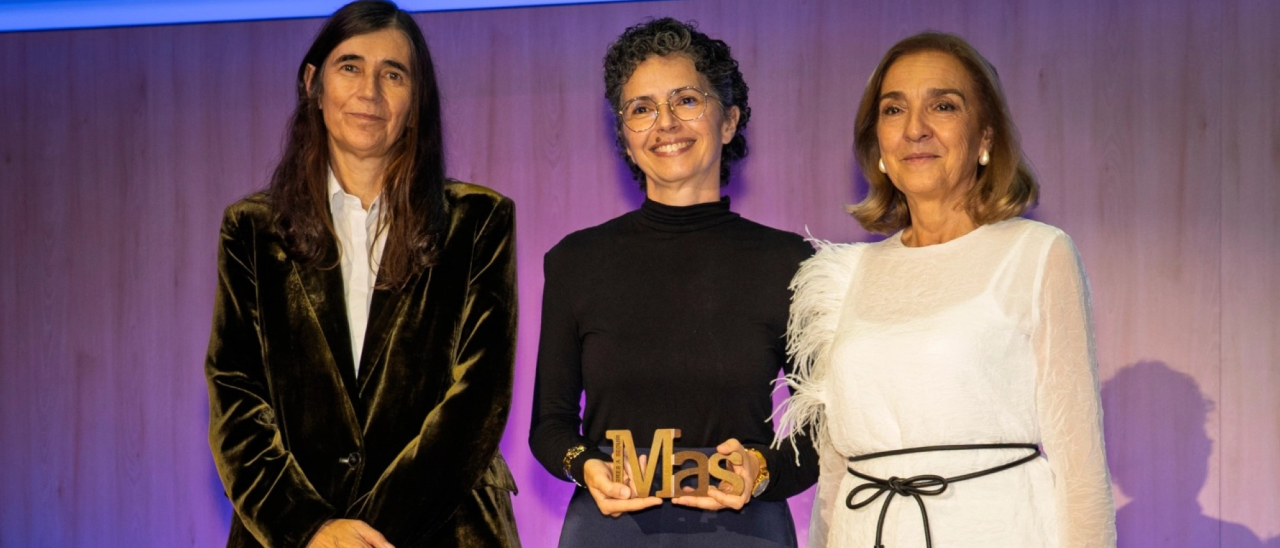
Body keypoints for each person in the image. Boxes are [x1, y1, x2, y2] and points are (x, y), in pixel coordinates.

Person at [774, 32, 1116, 547]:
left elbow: (1079, 456)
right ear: (879, 146)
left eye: (943, 105)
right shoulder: (845, 275)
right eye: (894, 110)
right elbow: (834, 472)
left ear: (985, 137)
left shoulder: (1037, 253)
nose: (915, 128)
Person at [204, 2, 520, 547]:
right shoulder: (251, 229)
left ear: (416, 102)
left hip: (442, 530)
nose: (369, 91)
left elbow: (477, 399)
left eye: (393, 74)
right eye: (350, 66)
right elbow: (235, 396)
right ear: (313, 83)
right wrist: (312, 530)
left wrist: (364, 538)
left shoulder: (478, 221)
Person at [528, 17, 819, 548]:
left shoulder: (793, 263)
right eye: (641, 109)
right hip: (607, 529)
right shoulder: (575, 261)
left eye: (686, 100)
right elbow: (550, 425)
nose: (665, 122)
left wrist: (759, 468)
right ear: (625, 135)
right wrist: (586, 468)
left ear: (728, 121)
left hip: (745, 528)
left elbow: (819, 433)